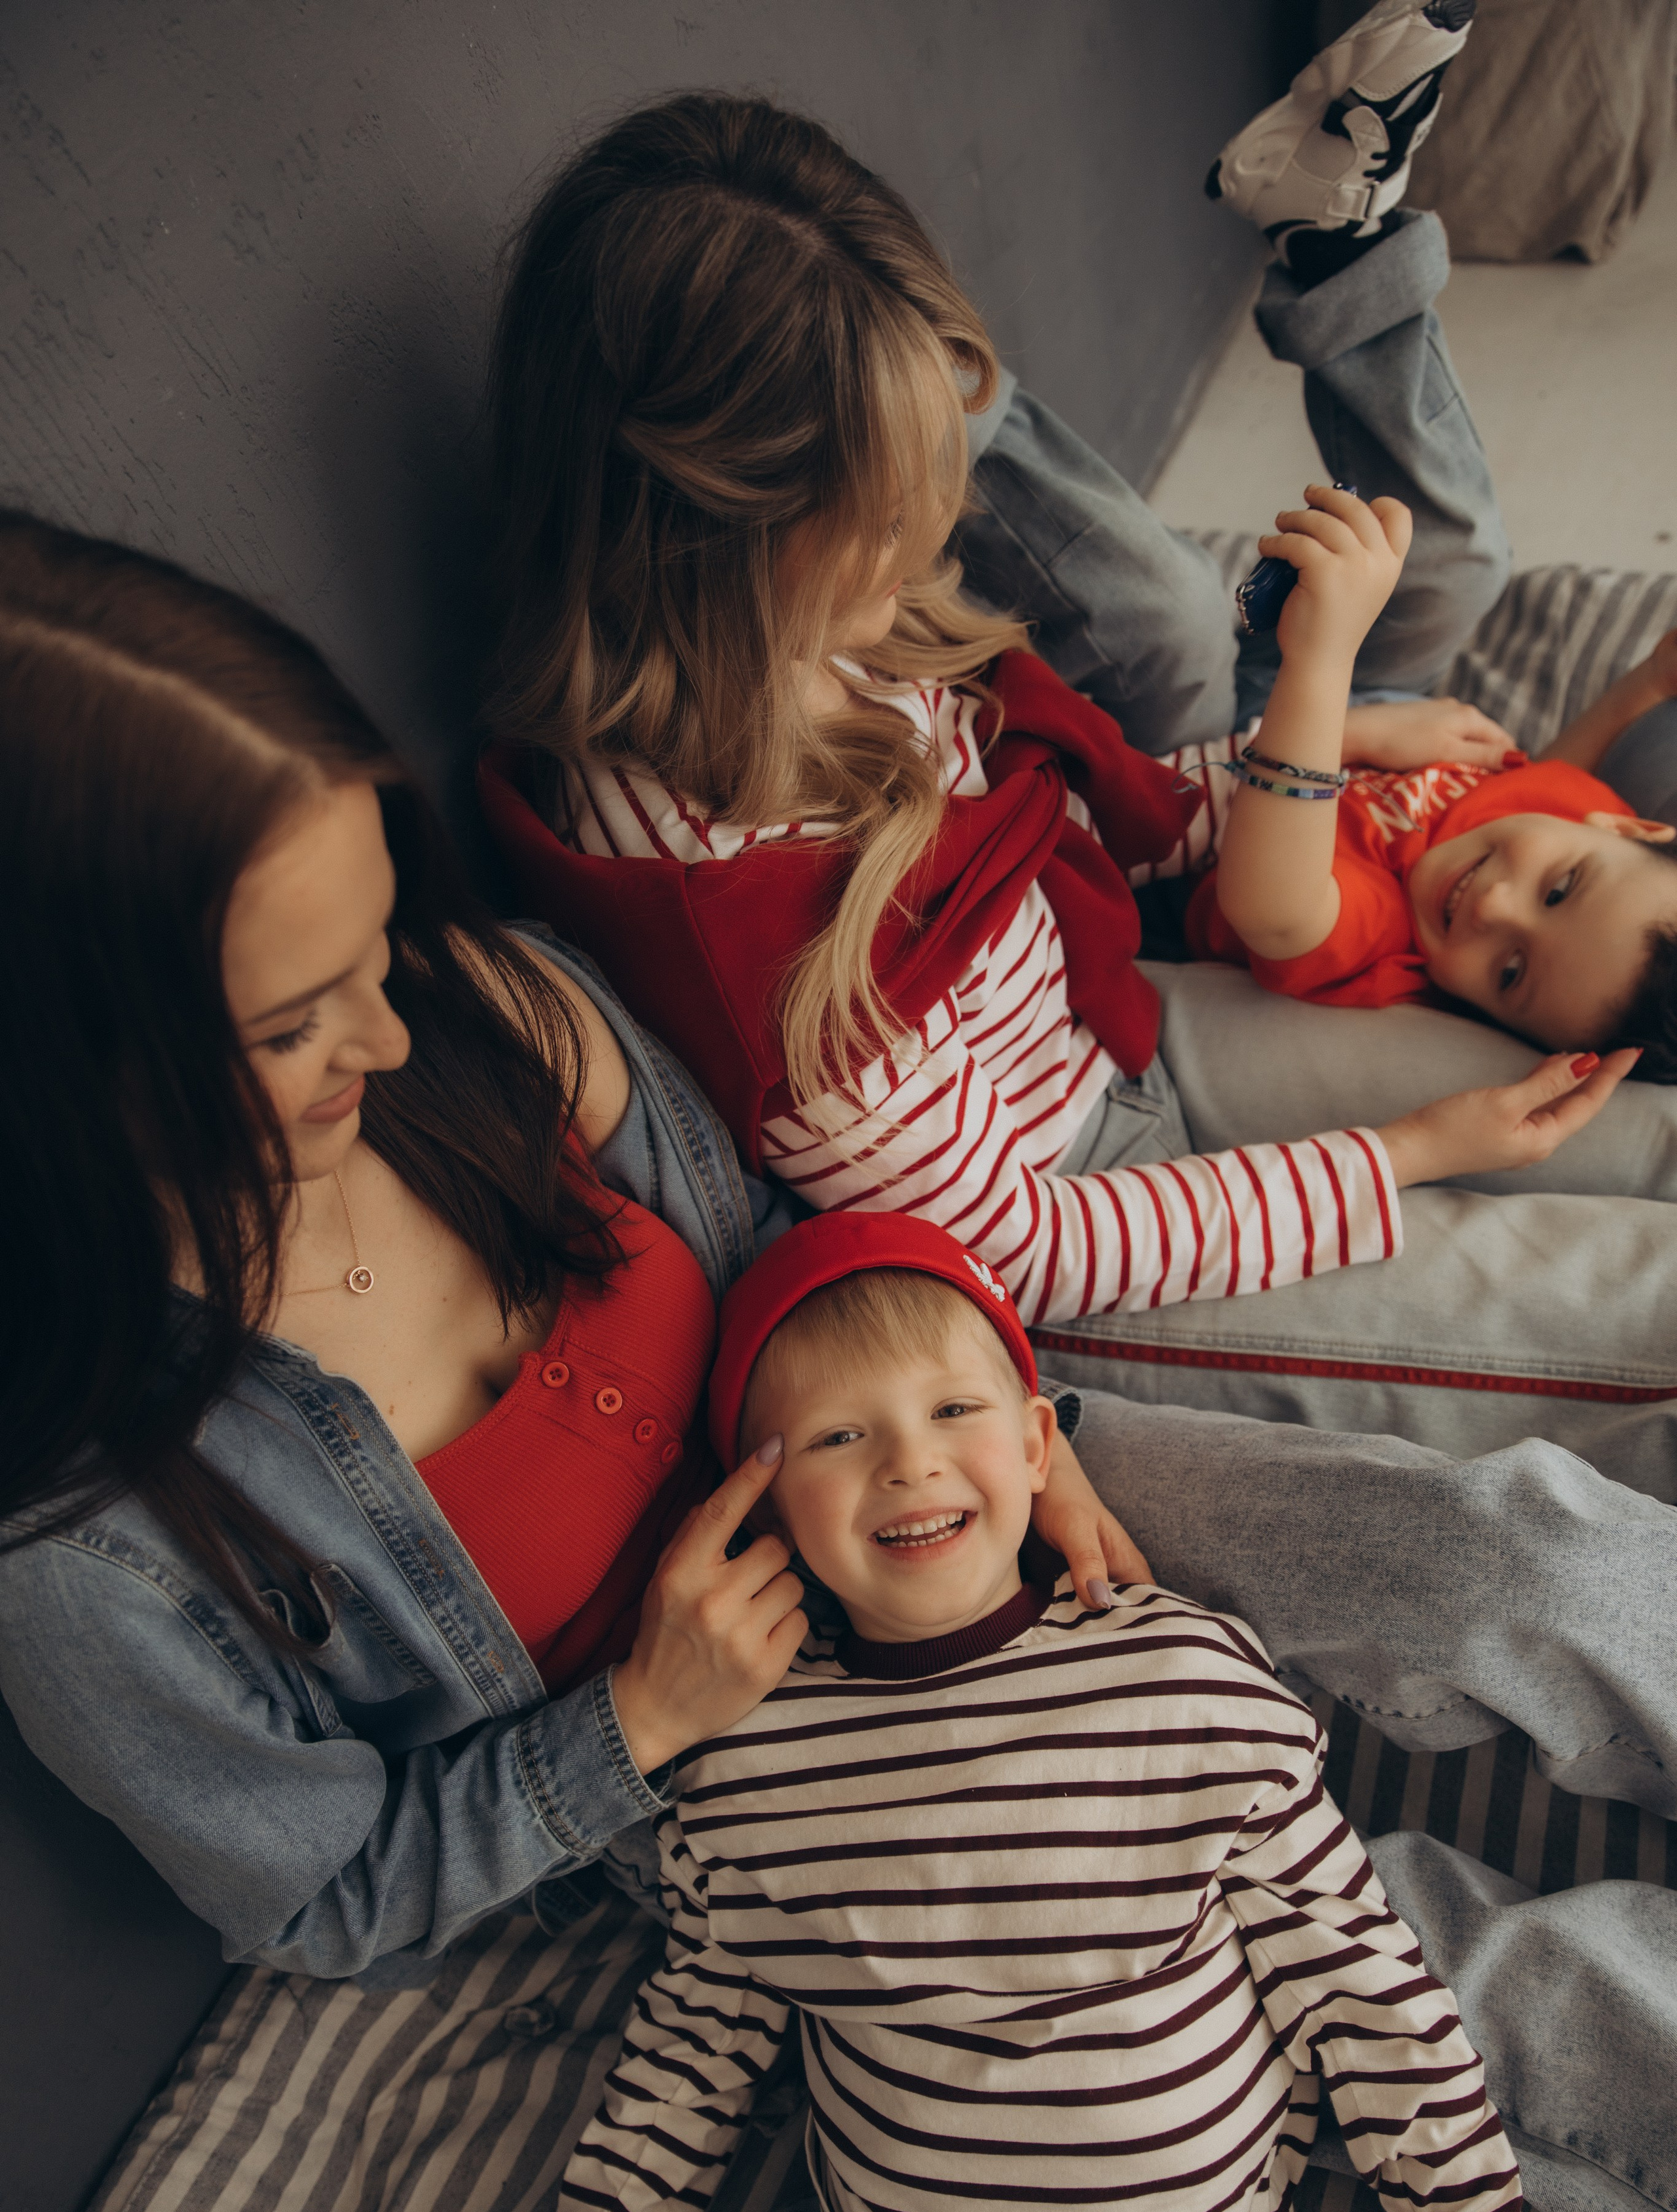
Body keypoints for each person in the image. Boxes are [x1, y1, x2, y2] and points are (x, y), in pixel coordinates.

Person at [472, 24, 1677, 1488]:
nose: (935, 530)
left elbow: (1121, 824)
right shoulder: (759, 938)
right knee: (1623, 1314)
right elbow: (1024, 1253)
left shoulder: (834, 642)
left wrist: (1300, 757)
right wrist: (1406, 1154)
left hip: (1108, 1034)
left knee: (1617, 1119)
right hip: (1069, 1248)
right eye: (886, 505)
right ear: (716, 547)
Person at [432, 1213, 1598, 2212]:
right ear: (755, 1505)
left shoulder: (1180, 1677)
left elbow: (1374, 2007)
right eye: (835, 1437)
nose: (906, 1464)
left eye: (951, 1409)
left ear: (1037, 1446)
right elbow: (685, 2070)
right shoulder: (743, 1772)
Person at [1184, 533, 1677, 1069]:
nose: (1493, 907)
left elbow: (1272, 913)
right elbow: (1556, 775)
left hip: (1208, 751)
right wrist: (1653, 679)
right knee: (1465, 561)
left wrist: (1334, 676)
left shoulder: (1386, 940)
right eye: (1558, 890)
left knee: (1168, 605)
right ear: (1628, 829)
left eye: (1510, 972)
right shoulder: (1579, 814)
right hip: (1369, 685)